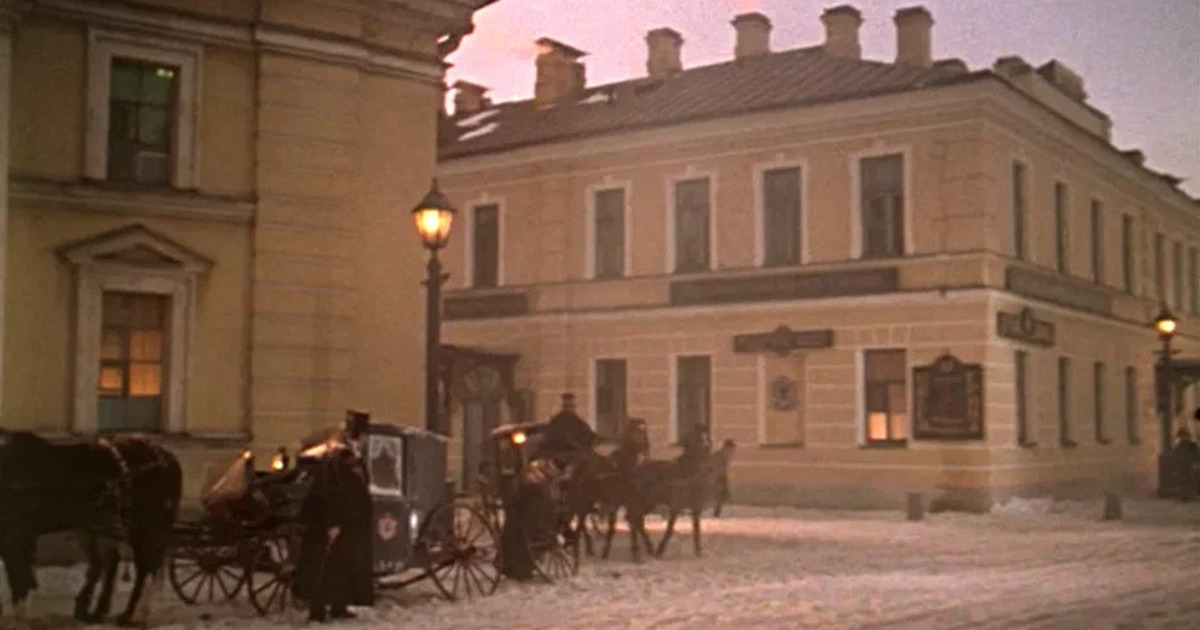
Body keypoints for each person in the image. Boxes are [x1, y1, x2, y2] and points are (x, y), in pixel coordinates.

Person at [294, 410, 375, 623]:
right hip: (332, 521)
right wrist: (333, 522)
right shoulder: (339, 458)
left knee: (342, 567)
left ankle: (340, 605)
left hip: (349, 522)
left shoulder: (350, 455)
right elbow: (331, 491)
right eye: (363, 435)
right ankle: (317, 610)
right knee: (324, 566)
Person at [539, 393, 599, 459]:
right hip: (561, 453)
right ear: (563, 407)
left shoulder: (579, 422)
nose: (569, 409)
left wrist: (596, 440)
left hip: (577, 453)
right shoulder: (556, 421)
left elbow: (588, 433)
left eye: (571, 406)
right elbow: (554, 437)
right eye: (567, 406)